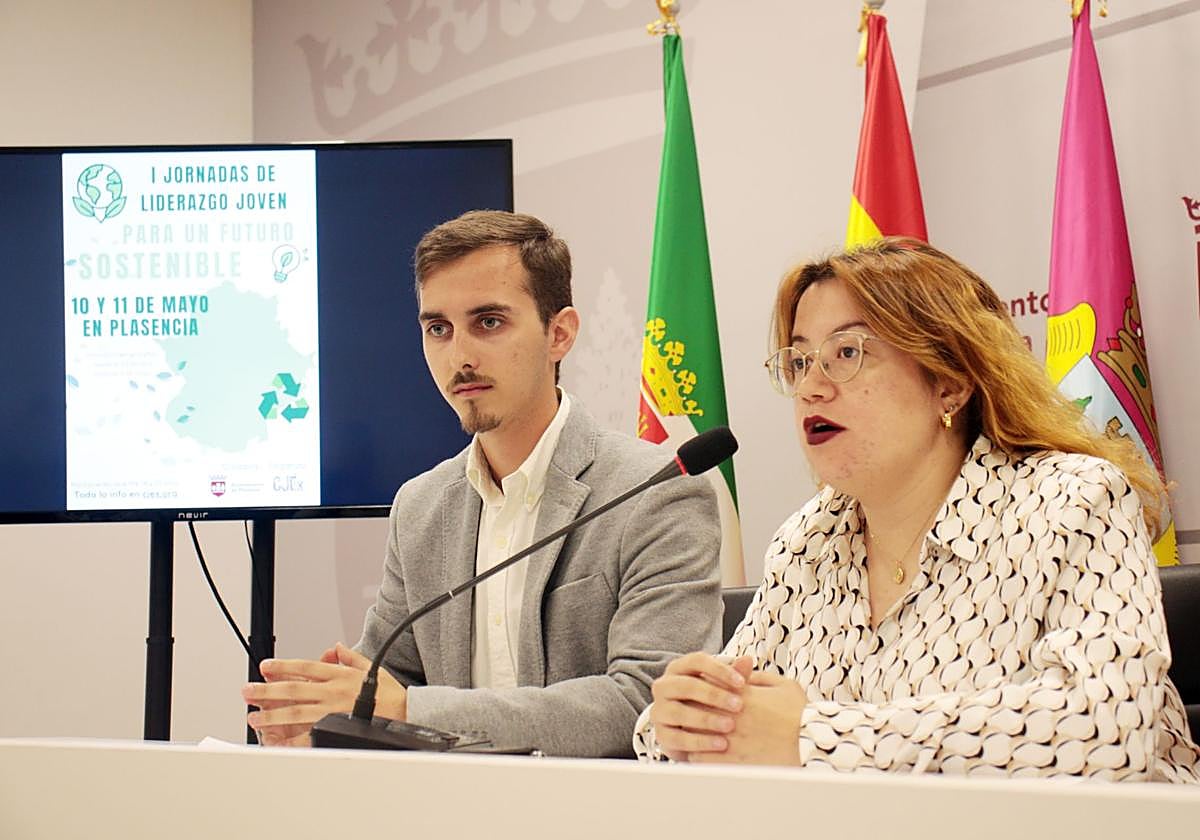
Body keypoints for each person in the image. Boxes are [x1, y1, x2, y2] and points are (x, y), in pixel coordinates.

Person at [636, 237, 1200, 782]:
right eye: (801, 361)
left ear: (949, 384)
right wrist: (682, 719)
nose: (811, 387)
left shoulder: (1074, 502)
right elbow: (702, 734)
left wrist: (812, 736)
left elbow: (1104, 730)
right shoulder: (807, 541)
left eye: (847, 353)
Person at [243, 210, 721, 756]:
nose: (460, 357)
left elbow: (648, 707)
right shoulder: (420, 507)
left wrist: (405, 710)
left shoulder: (656, 492)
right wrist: (323, 719)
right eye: (438, 329)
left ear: (559, 333)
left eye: (489, 322)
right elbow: (382, 683)